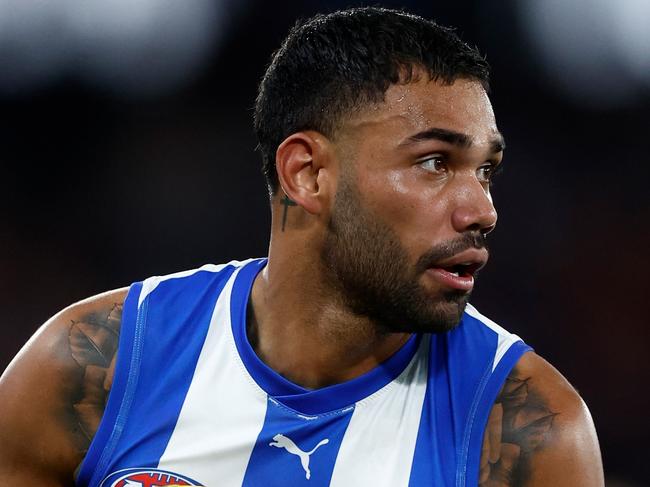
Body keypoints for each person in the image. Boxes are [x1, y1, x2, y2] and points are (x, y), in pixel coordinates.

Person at [0, 7, 604, 486]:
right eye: (433, 162)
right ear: (307, 174)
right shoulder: (92, 369)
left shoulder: (529, 432)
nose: (482, 211)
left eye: (485, 171)